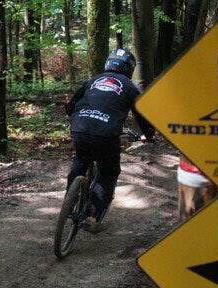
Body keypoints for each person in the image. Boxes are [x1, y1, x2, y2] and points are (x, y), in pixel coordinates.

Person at [65, 48, 155, 233]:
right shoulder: (129, 87)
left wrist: (80, 120)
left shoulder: (92, 81)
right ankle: (92, 215)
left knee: (80, 161)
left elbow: (70, 106)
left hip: (79, 129)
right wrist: (149, 135)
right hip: (106, 134)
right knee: (108, 171)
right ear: (129, 68)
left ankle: (69, 202)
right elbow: (143, 115)